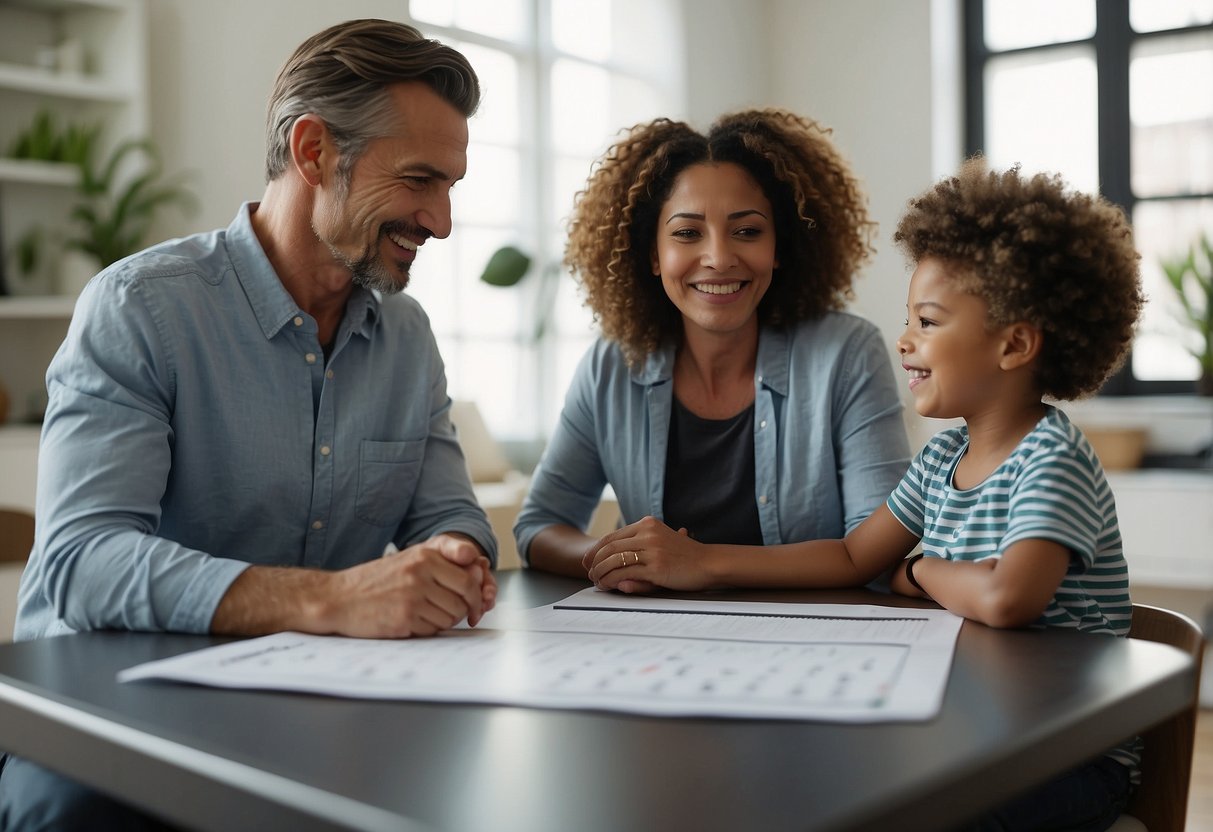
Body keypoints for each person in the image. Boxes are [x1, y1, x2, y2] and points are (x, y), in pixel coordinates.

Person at [1, 19, 497, 830]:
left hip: (309, 710)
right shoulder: (140, 311)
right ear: (312, 152)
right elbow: (81, 565)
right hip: (108, 721)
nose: (440, 222)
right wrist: (330, 600)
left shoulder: (406, 337)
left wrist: (457, 555)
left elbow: (446, 513)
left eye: (450, 187)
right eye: (418, 181)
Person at [590, 158, 1146, 830]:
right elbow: (856, 556)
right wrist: (703, 560)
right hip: (983, 733)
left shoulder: (1050, 458)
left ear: (1014, 344)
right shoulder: (943, 455)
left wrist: (917, 569)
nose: (904, 340)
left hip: (1062, 758)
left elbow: (1005, 596)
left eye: (929, 322)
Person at [515, 109, 911, 589]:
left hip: (814, 644)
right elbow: (539, 527)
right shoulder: (611, 365)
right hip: (658, 651)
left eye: (747, 231)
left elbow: (879, 548)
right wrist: (626, 561)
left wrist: (699, 564)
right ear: (653, 255)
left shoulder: (847, 353)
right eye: (687, 233)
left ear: (779, 247)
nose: (720, 258)